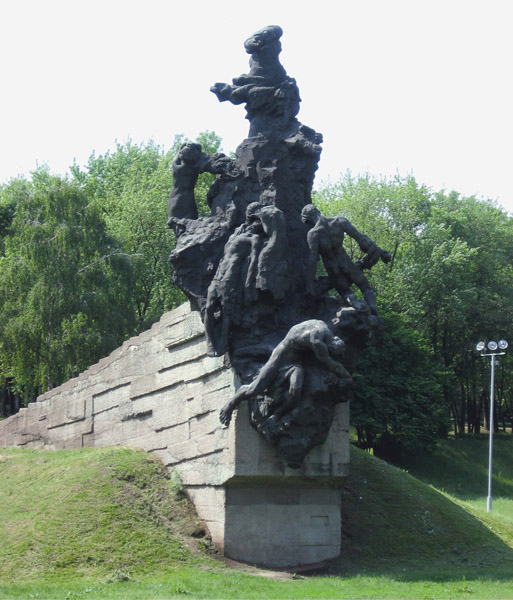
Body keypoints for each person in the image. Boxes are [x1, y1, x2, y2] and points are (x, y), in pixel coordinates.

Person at [219, 319, 351, 426]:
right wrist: (346, 375)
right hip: (280, 358)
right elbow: (330, 363)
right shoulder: (316, 340)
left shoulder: (324, 327)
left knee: (296, 389)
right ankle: (231, 403)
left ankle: (278, 414)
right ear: (329, 346)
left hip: (295, 362)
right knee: (255, 388)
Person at [301, 204, 390, 315]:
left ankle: (356, 306)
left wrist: (309, 287)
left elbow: (312, 261)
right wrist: (381, 252)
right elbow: (362, 240)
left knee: (348, 294)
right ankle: (373, 310)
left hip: (333, 269)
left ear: (308, 219)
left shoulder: (313, 234)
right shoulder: (339, 221)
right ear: (318, 211)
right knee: (367, 289)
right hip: (346, 263)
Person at [204, 203, 265, 356]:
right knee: (209, 306)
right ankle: (210, 341)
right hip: (219, 273)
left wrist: (247, 283)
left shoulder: (255, 238)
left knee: (227, 309)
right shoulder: (237, 232)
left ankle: (224, 340)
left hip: (231, 274)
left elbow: (253, 261)